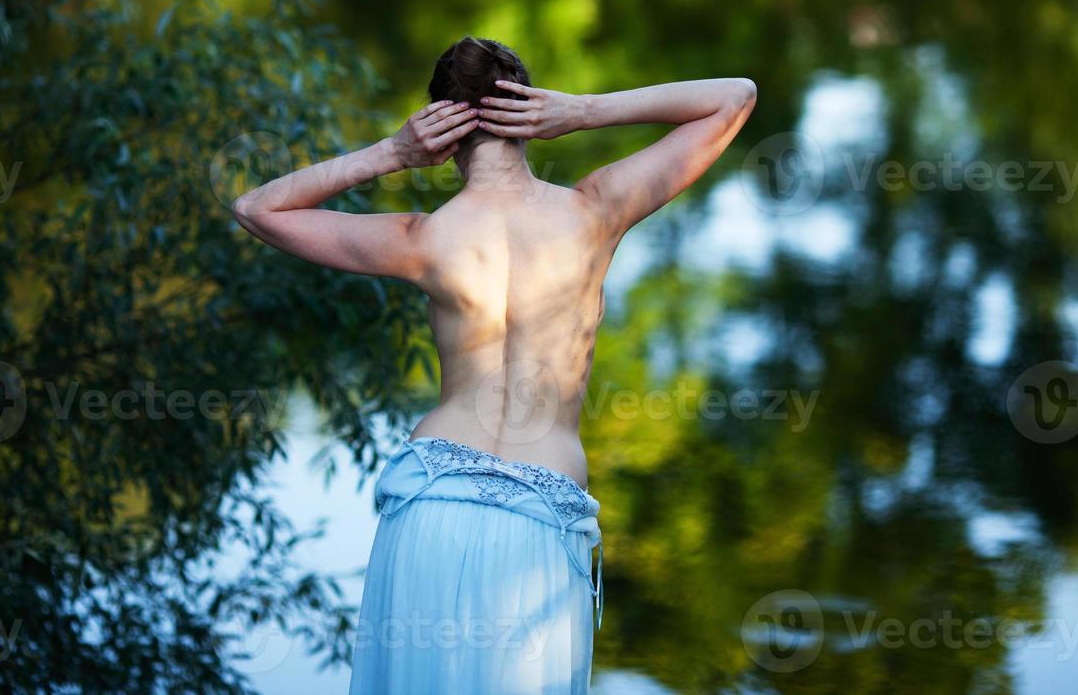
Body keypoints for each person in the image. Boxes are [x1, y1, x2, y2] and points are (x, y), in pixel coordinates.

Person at [233, 36, 756, 693]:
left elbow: (256, 208)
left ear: (441, 134)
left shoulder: (422, 239)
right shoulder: (596, 211)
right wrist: (585, 110)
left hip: (430, 507)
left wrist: (391, 154)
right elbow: (735, 97)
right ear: (529, 114)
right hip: (537, 515)